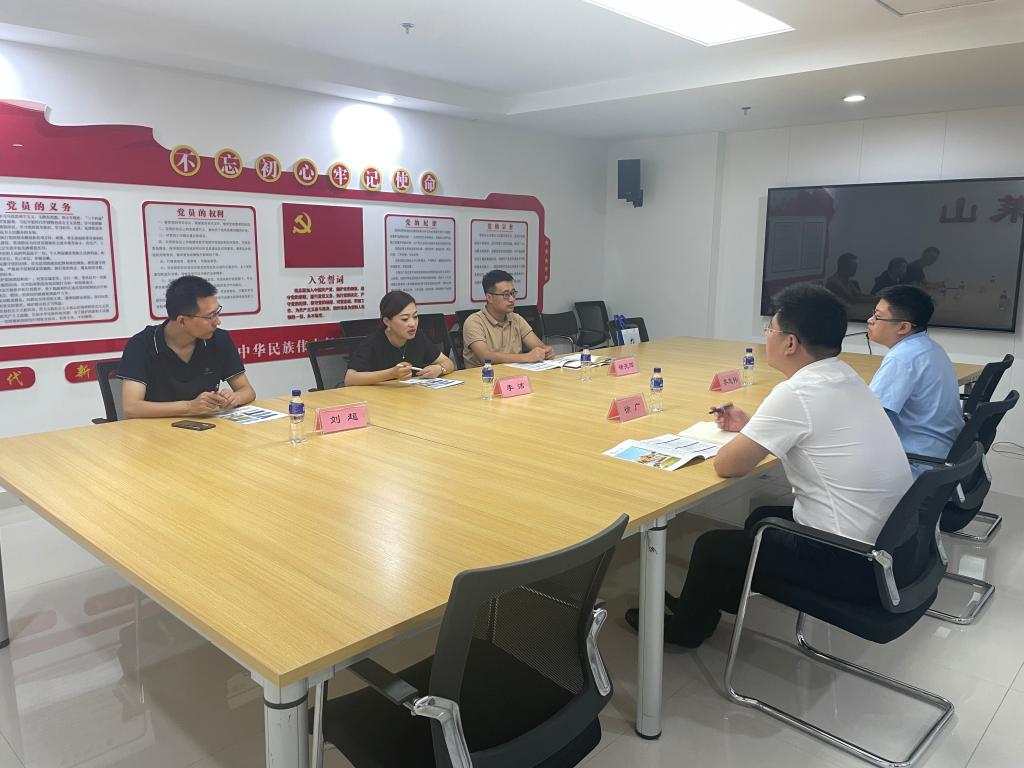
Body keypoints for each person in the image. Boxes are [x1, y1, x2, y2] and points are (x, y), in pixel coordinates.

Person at [625, 284, 912, 647]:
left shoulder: (797, 392)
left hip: (852, 562)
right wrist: (753, 428)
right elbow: (810, 429)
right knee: (761, 517)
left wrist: (745, 438)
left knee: (712, 546)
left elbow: (727, 465)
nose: (766, 337)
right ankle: (713, 598)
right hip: (893, 548)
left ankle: (688, 629)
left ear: (790, 343)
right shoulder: (843, 376)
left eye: (770, 330)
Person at [119, 275, 256, 419]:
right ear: (182, 321)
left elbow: (247, 391)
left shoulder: (220, 340)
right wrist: (190, 407)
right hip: (154, 429)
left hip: (207, 427)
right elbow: (131, 408)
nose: (217, 322)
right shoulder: (141, 344)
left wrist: (234, 398)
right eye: (210, 316)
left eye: (217, 312)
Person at [867, 285, 963, 475]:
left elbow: (871, 418)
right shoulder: (930, 348)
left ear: (904, 327)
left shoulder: (902, 358)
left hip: (918, 462)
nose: (870, 320)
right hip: (943, 454)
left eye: (878, 316)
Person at [345, 291, 455, 385]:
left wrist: (439, 369)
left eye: (415, 317)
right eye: (405, 319)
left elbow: (448, 363)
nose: (412, 324)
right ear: (387, 321)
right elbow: (350, 379)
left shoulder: (418, 337)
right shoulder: (373, 342)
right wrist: (391, 373)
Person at [461, 270, 553, 367]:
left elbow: (539, 347)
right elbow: (485, 357)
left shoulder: (516, 318)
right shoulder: (474, 322)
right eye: (506, 295)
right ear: (489, 297)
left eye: (513, 293)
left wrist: (546, 352)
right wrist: (526, 357)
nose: (512, 299)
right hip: (484, 375)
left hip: (514, 373)